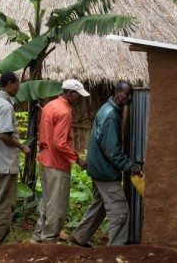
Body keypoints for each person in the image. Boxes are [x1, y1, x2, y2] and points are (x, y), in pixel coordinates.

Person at [69, 80, 142, 247]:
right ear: (117, 93)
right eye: (126, 94)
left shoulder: (106, 108)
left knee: (100, 205)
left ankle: (80, 237)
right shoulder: (111, 115)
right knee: (120, 210)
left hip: (96, 167)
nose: (129, 98)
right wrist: (129, 166)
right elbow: (112, 150)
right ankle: (116, 249)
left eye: (131, 94)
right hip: (104, 171)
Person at [31, 79, 90, 243]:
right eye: (77, 95)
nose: (79, 98)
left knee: (47, 200)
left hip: (44, 158)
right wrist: (78, 159)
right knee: (57, 204)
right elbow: (59, 143)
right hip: (57, 163)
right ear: (70, 93)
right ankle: (49, 239)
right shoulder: (64, 112)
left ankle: (37, 236)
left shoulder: (50, 105)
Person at [0, 72, 31, 246]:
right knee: (4, 206)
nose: (19, 88)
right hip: (4, 163)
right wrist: (22, 146)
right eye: (17, 84)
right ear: (10, 84)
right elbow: (3, 135)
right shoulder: (5, 106)